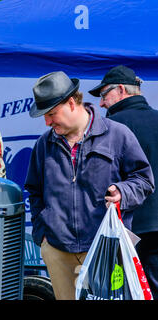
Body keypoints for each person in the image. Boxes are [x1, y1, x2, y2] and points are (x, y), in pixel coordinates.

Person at [24, 71, 154, 300]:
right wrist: (42, 235)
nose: (47, 122)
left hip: (105, 249)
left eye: (52, 113)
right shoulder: (44, 143)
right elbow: (34, 190)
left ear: (72, 103)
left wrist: (122, 192)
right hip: (57, 250)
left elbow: (144, 180)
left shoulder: (118, 134)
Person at [89, 65, 158, 299]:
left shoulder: (112, 126)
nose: (101, 103)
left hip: (127, 229)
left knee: (122, 293)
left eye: (103, 94)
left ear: (120, 90)